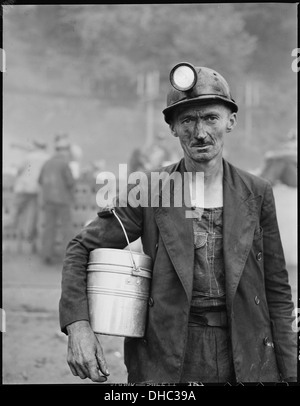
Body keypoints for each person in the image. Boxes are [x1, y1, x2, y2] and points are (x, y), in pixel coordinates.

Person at [59, 63, 297, 383]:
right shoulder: (150, 190)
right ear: (172, 128)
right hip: (169, 356)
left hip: (247, 353)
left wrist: (291, 370)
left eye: (211, 117)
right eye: (187, 120)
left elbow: (277, 290)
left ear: (231, 121)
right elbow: (81, 247)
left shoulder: (256, 193)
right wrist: (78, 327)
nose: (200, 133)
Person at [39, 133, 76, 265]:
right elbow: (70, 182)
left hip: (48, 200)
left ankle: (46, 254)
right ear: (64, 151)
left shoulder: (47, 163)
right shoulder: (64, 164)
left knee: (49, 227)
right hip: (63, 201)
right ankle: (67, 255)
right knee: (66, 228)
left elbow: (40, 180)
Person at [12, 140, 50, 252]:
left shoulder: (28, 156)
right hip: (36, 190)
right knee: (32, 216)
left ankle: (10, 227)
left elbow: (19, 170)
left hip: (23, 189)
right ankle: (29, 240)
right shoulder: (47, 158)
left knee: (14, 213)